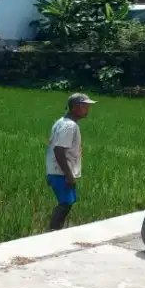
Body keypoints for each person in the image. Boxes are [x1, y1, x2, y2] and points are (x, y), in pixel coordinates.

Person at [46, 93, 96, 231]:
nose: (88, 109)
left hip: (57, 171)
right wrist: (68, 175)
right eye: (85, 106)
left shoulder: (62, 122)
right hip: (60, 172)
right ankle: (52, 232)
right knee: (65, 203)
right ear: (75, 107)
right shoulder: (69, 126)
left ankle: (54, 231)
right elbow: (59, 150)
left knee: (67, 202)